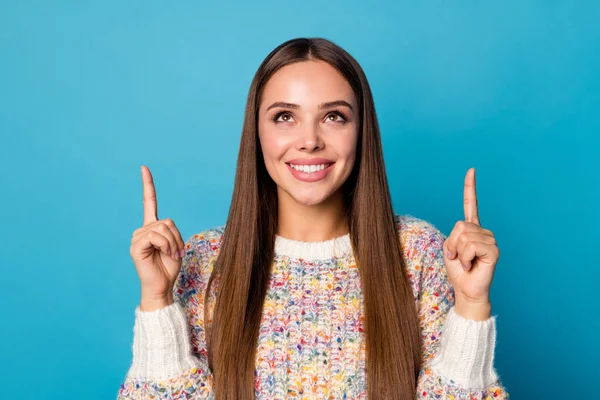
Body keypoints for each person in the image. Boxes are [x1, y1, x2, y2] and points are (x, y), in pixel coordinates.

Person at [117, 37, 509, 399]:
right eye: (285, 116)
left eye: (334, 117)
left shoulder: (418, 254)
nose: (309, 140)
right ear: (257, 133)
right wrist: (157, 299)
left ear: (361, 131)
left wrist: (472, 305)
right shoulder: (203, 261)